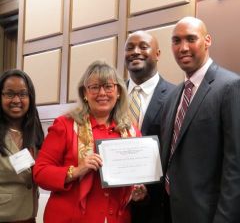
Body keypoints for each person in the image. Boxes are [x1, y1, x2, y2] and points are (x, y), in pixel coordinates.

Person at [33, 61, 146, 223]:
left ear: (119, 92)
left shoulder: (131, 130)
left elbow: (136, 175)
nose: (102, 93)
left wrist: (136, 191)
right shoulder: (65, 125)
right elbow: (40, 173)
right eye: (94, 87)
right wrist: (77, 170)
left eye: (108, 86)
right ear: (85, 93)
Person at [160, 16, 240, 223]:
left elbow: (236, 165)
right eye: (176, 41)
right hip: (171, 212)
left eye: (191, 39)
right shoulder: (173, 96)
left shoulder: (230, 87)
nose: (183, 47)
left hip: (209, 215)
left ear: (207, 41)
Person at [124, 30, 175, 223]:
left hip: (157, 206)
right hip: (113, 203)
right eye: (130, 48)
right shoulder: (111, 95)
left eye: (143, 47)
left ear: (158, 54)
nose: (135, 52)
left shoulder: (175, 95)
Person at [0, 69, 44, 222]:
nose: (17, 100)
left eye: (23, 94)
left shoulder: (35, 131)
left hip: (29, 217)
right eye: (10, 94)